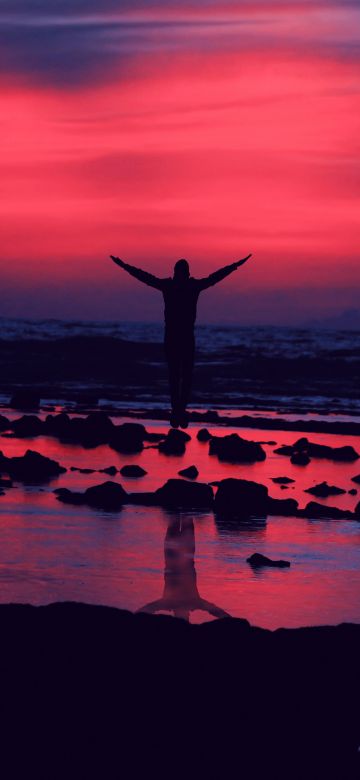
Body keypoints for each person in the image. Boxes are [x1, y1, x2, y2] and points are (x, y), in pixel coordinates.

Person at [110, 253, 252, 427]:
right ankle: (179, 410)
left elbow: (145, 277)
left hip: (175, 337)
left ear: (177, 272)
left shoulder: (171, 286)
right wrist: (236, 265)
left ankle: (177, 410)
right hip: (182, 337)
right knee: (183, 375)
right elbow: (215, 277)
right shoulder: (189, 286)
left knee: (176, 375)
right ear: (186, 272)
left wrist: (123, 265)